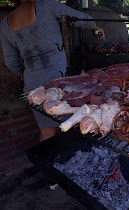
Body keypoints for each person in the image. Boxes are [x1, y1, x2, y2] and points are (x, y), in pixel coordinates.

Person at [0, 0, 105, 141]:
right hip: (59, 81)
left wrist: (23, 75)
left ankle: (46, 162)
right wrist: (95, 27)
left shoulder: (5, 24)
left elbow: (11, 62)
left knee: (47, 132)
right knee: (71, 125)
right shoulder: (47, 5)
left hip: (33, 85)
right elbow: (80, 18)